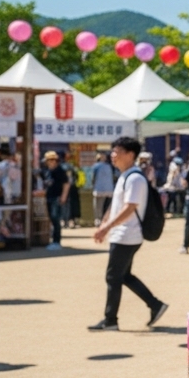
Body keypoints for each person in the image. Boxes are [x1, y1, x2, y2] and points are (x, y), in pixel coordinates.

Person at [89, 136, 169, 331]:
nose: (112, 156)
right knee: (123, 276)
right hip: (122, 234)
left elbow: (129, 207)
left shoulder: (134, 178)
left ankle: (110, 320)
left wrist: (106, 227)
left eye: (116, 152)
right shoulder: (125, 176)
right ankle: (155, 305)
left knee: (113, 277)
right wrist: (105, 224)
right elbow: (115, 206)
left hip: (127, 235)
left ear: (130, 154)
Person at [41, 151, 70, 250]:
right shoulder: (47, 171)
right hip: (49, 197)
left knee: (55, 218)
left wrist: (63, 197)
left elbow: (66, 184)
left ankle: (57, 241)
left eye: (52, 160)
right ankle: (53, 240)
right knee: (52, 219)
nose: (50, 162)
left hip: (57, 197)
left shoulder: (60, 170)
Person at [89, 152, 116, 225]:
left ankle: (98, 220)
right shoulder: (109, 166)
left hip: (99, 189)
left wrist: (92, 185)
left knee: (98, 206)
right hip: (109, 189)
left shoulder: (96, 166)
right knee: (107, 206)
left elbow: (92, 178)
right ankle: (105, 220)